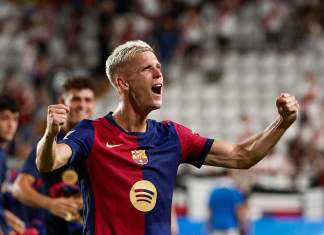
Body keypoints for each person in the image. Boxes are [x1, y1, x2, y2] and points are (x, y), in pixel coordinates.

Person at [35, 40, 299, 235]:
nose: (159, 73)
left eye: (159, 67)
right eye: (147, 69)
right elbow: (48, 162)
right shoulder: (90, 133)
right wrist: (49, 136)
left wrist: (282, 123)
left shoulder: (172, 136)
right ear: (123, 83)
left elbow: (243, 156)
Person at [12, 77, 96, 235]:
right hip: (55, 230)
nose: (82, 105)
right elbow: (18, 188)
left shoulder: (99, 140)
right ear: (63, 101)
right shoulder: (48, 143)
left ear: (94, 103)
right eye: (76, 99)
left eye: (88, 100)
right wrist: (51, 204)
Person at [0, 94, 26, 235]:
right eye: (5, 118)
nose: (11, 125)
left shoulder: (2, 154)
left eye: (15, 119)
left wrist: (5, 216)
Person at [208, 171, 247, 235]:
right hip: (231, 226)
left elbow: (210, 211)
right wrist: (243, 224)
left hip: (216, 226)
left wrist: (209, 225)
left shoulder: (214, 192)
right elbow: (238, 210)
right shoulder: (235, 191)